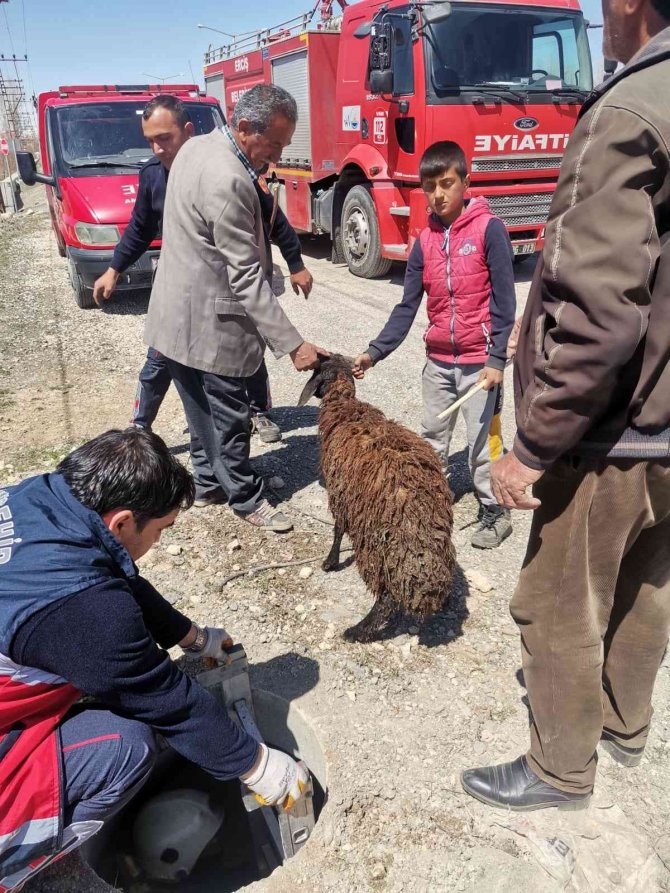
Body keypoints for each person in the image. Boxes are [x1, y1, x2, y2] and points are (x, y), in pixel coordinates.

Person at [461, 0, 670, 810]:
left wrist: (533, 446)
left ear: (627, 5)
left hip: (612, 431)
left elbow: (596, 311)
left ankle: (558, 769)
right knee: (648, 586)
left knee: (557, 602)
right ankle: (625, 725)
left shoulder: (628, 109)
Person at [0, 428, 307, 891]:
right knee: (126, 743)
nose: (160, 541)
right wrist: (254, 764)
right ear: (122, 521)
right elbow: (166, 700)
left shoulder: (37, 497)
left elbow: (109, 572)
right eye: (161, 530)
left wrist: (191, 637)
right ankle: (27, 858)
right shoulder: (83, 614)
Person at [144, 84, 325, 533]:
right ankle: (246, 498)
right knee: (229, 417)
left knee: (197, 410)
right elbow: (245, 277)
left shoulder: (194, 148)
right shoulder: (229, 179)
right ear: (245, 128)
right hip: (212, 323)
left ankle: (208, 484)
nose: (277, 156)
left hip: (175, 315)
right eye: (276, 144)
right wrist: (293, 344)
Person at [92, 94, 314, 445]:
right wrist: (115, 268)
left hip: (222, 303)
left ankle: (255, 414)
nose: (158, 148)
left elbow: (273, 220)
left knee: (248, 359)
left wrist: (296, 262)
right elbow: (140, 227)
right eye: (150, 140)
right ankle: (142, 425)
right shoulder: (156, 175)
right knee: (167, 365)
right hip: (182, 300)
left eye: (164, 138)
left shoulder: (237, 169)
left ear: (188, 131)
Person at [352, 141, 516, 549]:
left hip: (481, 367)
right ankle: (430, 505)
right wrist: (375, 352)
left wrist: (496, 359)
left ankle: (495, 512)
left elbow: (505, 301)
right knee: (431, 438)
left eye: (447, 183)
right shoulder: (424, 241)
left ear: (465, 182)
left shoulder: (489, 230)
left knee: (483, 445)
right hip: (438, 364)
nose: (439, 195)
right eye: (430, 187)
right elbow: (407, 306)